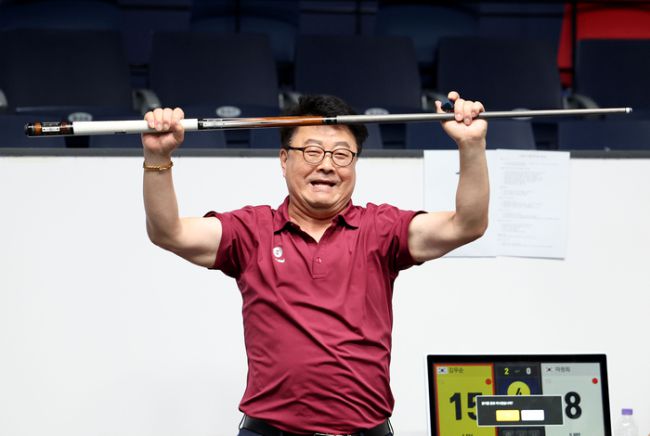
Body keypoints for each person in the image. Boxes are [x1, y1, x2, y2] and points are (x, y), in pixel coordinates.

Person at [141, 91, 489, 436]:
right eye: (311, 151)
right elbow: (169, 233)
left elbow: (467, 225)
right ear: (284, 160)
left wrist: (471, 145)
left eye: (341, 154)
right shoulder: (252, 231)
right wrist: (158, 157)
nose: (326, 165)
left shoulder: (381, 229)